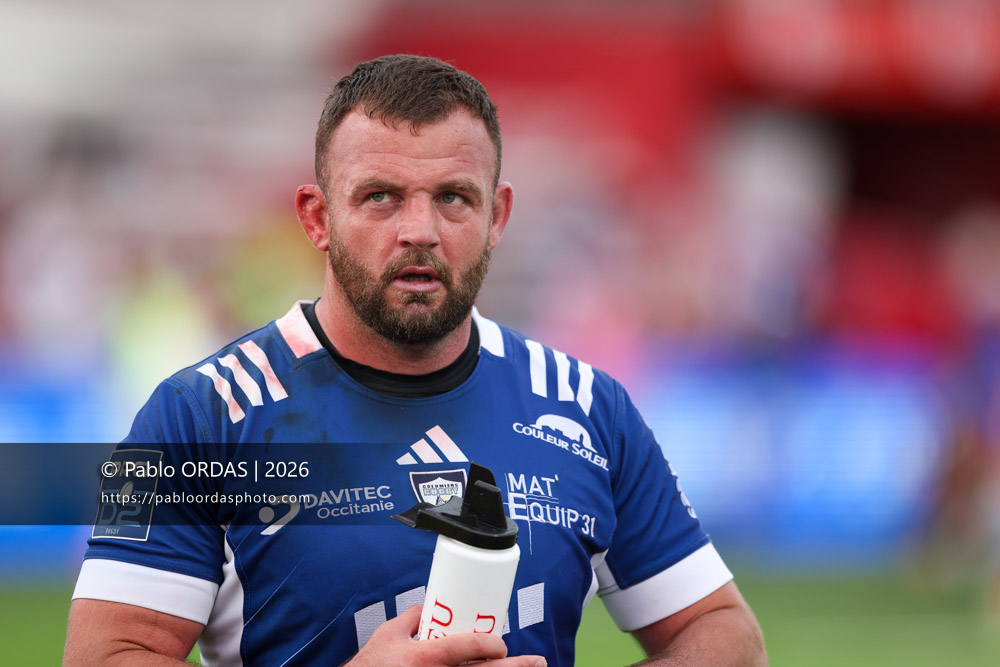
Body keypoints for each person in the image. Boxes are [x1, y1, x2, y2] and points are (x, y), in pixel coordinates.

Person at [64, 55, 766, 666]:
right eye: (380, 197)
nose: (420, 230)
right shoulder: (193, 415)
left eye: (454, 198)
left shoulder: (587, 407)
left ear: (498, 216)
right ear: (316, 217)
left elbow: (726, 633)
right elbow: (101, 656)